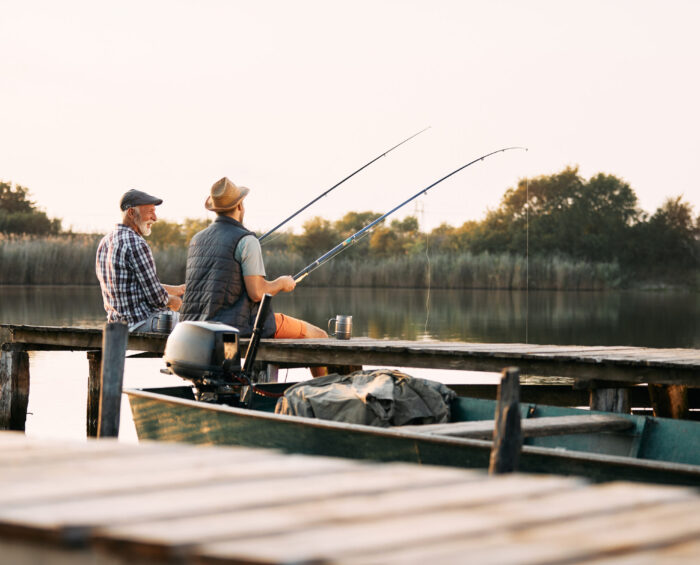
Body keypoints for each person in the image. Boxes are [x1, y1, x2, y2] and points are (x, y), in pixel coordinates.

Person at [180, 177, 328, 377]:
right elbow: (257, 292)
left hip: (197, 327)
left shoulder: (196, 239)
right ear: (240, 205)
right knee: (320, 337)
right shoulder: (247, 240)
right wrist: (281, 283)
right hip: (238, 326)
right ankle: (323, 396)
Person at [96, 189, 186, 331]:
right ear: (131, 213)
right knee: (193, 326)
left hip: (116, 325)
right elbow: (157, 299)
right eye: (150, 211)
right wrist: (173, 300)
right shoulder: (137, 243)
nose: (155, 218)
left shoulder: (105, 241)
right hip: (141, 322)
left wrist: (177, 289)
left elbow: (135, 285)